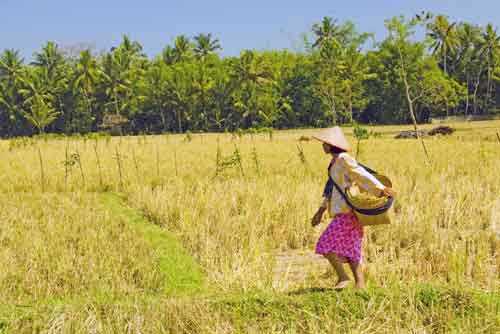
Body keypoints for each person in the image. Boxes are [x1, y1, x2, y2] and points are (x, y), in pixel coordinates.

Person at [311, 127, 396, 290]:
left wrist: (380, 189)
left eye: (324, 143)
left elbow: (360, 173)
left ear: (330, 145)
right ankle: (360, 285)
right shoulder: (335, 161)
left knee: (324, 244)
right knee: (352, 249)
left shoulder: (343, 159)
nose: (322, 145)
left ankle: (343, 277)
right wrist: (321, 209)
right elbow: (332, 187)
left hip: (347, 212)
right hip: (345, 211)